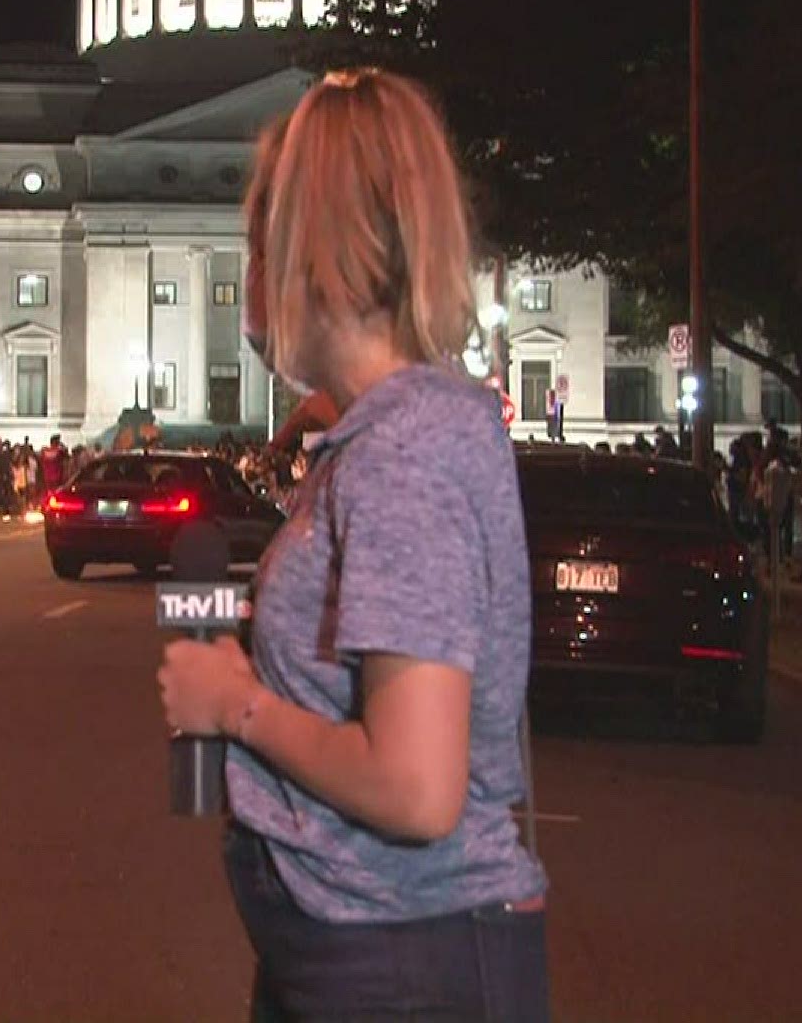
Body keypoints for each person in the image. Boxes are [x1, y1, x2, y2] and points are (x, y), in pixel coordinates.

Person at [157, 70, 547, 1022]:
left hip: (404, 964)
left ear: (308, 252)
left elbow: (417, 790)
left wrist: (239, 705)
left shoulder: (406, 456)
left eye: (254, 245)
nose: (245, 280)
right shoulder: (392, 434)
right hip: (365, 950)